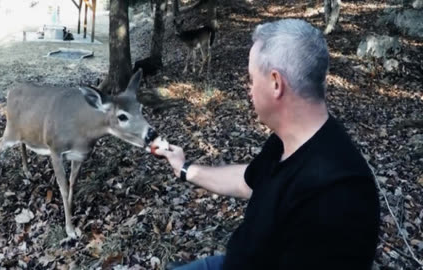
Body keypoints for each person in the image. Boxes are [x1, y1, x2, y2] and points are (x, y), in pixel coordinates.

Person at [155, 19, 380, 270]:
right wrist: (185, 169)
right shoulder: (286, 141)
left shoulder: (339, 195)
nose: (249, 90)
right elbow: (248, 181)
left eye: (252, 79)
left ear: (276, 83)